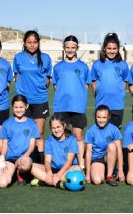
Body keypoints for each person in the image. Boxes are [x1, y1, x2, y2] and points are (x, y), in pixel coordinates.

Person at [12, 30, 52, 164]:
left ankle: (40, 164)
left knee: (39, 133)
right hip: (23, 101)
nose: (32, 45)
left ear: (38, 43)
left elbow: (47, 81)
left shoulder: (46, 58)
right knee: (24, 133)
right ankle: (23, 164)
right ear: (24, 43)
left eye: (35, 42)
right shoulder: (18, 58)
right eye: (29, 42)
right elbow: (17, 78)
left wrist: (37, 89)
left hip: (40, 100)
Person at [52, 35, 91, 170]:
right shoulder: (58, 67)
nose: (70, 50)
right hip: (61, 105)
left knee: (78, 135)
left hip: (77, 106)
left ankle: (81, 164)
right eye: (67, 47)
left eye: (73, 47)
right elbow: (56, 85)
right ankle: (60, 162)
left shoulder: (83, 67)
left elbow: (86, 85)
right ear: (63, 48)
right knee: (61, 134)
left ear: (77, 48)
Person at [0, 94, 39, 188]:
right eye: (16, 107)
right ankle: (13, 170)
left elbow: (32, 145)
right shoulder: (7, 124)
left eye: (21, 107)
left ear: (26, 106)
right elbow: (4, 145)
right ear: (12, 107)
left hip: (24, 157)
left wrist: (25, 155)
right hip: (10, 159)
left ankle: (21, 173)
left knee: (25, 165)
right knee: (3, 184)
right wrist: (2, 157)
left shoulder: (32, 124)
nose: (18, 110)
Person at [30, 114, 81, 187]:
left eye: (58, 127)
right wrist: (49, 172)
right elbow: (47, 161)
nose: (56, 130)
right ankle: (58, 183)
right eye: (53, 128)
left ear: (64, 126)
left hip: (67, 169)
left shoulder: (72, 139)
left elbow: (69, 161)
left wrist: (59, 174)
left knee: (77, 169)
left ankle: (46, 181)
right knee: (32, 166)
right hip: (53, 169)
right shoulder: (49, 140)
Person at [91, 33, 129, 129]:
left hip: (117, 105)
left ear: (118, 49)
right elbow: (94, 82)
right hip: (101, 104)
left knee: (115, 135)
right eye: (109, 48)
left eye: (114, 49)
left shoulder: (123, 64)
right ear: (104, 48)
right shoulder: (97, 64)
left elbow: (124, 81)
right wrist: (98, 95)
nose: (112, 51)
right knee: (101, 134)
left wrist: (119, 93)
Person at [85, 105, 125, 186]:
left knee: (112, 146)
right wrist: (88, 174)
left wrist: (121, 170)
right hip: (97, 158)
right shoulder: (91, 131)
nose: (101, 120)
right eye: (98, 117)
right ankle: (103, 170)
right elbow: (88, 153)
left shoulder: (114, 129)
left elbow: (119, 150)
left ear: (109, 117)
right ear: (95, 117)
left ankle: (110, 175)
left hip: (109, 156)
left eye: (104, 117)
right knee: (97, 180)